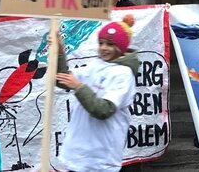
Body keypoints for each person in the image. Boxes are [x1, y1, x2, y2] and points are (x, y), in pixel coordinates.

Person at [55, 14, 139, 172]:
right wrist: (59, 51)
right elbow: (62, 79)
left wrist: (79, 87)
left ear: (121, 48)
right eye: (101, 43)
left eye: (110, 44)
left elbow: (103, 110)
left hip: (101, 159)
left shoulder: (123, 74)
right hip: (78, 155)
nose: (104, 48)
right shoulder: (95, 65)